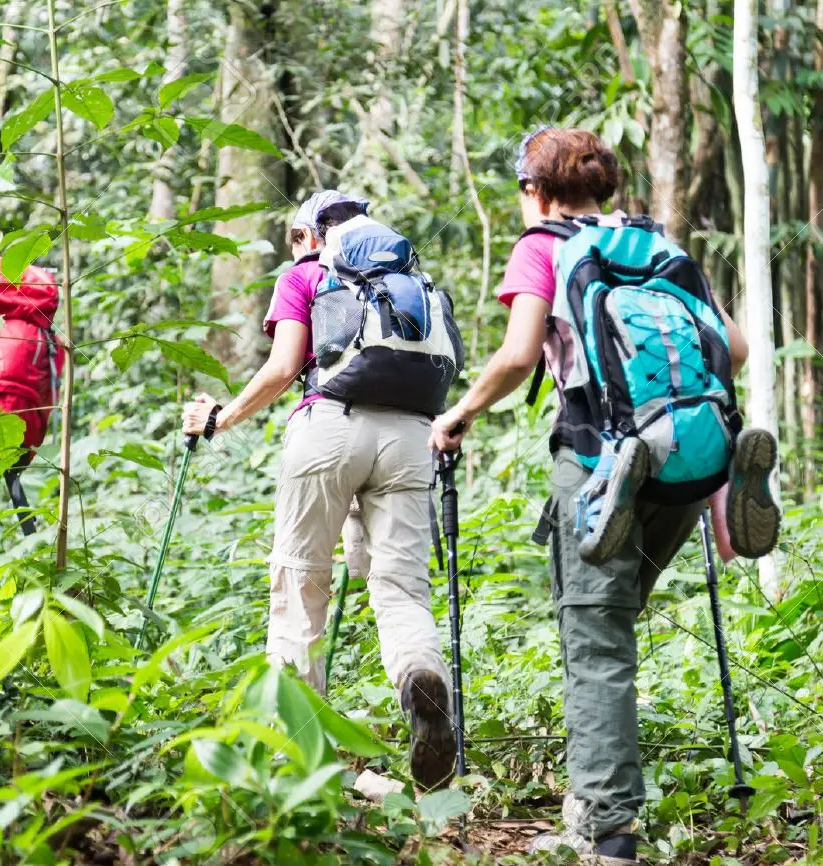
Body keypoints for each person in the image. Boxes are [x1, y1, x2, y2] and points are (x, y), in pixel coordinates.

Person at [429, 127, 777, 864]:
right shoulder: (658, 245)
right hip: (685, 464)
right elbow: (735, 349)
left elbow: (522, 352)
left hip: (599, 460)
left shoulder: (542, 247)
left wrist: (459, 412)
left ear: (535, 189)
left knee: (596, 642)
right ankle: (590, 800)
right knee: (611, 625)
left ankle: (609, 831)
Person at [181, 190, 457, 789]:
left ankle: (299, 759)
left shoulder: (306, 275)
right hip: (411, 435)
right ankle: (420, 678)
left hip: (329, 425)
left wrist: (219, 418)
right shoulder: (413, 282)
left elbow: (284, 367)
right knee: (402, 588)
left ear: (312, 235)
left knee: (300, 581)